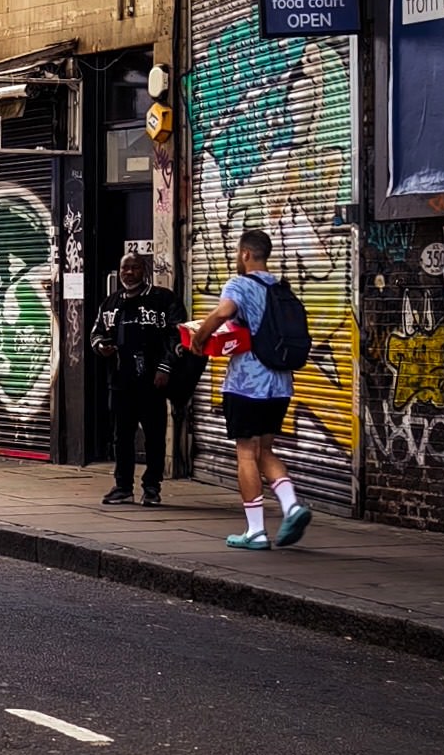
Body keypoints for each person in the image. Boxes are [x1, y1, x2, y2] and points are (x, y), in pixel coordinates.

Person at [192, 220, 311, 552]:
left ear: (245, 253)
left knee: (246, 452)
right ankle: (291, 506)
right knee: (265, 450)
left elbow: (223, 312)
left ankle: (256, 532)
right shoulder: (281, 287)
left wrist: (200, 337)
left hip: (246, 384)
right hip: (280, 385)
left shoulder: (240, 284)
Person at [97, 244, 177, 509]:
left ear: (145, 270)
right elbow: (96, 333)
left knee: (154, 436)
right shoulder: (111, 302)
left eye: (135, 268)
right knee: (121, 436)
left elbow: (177, 336)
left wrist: (165, 368)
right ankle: (123, 487)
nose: (129, 273)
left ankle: (152, 488)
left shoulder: (162, 299)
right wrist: (101, 346)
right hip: (121, 381)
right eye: (125, 268)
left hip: (152, 382)